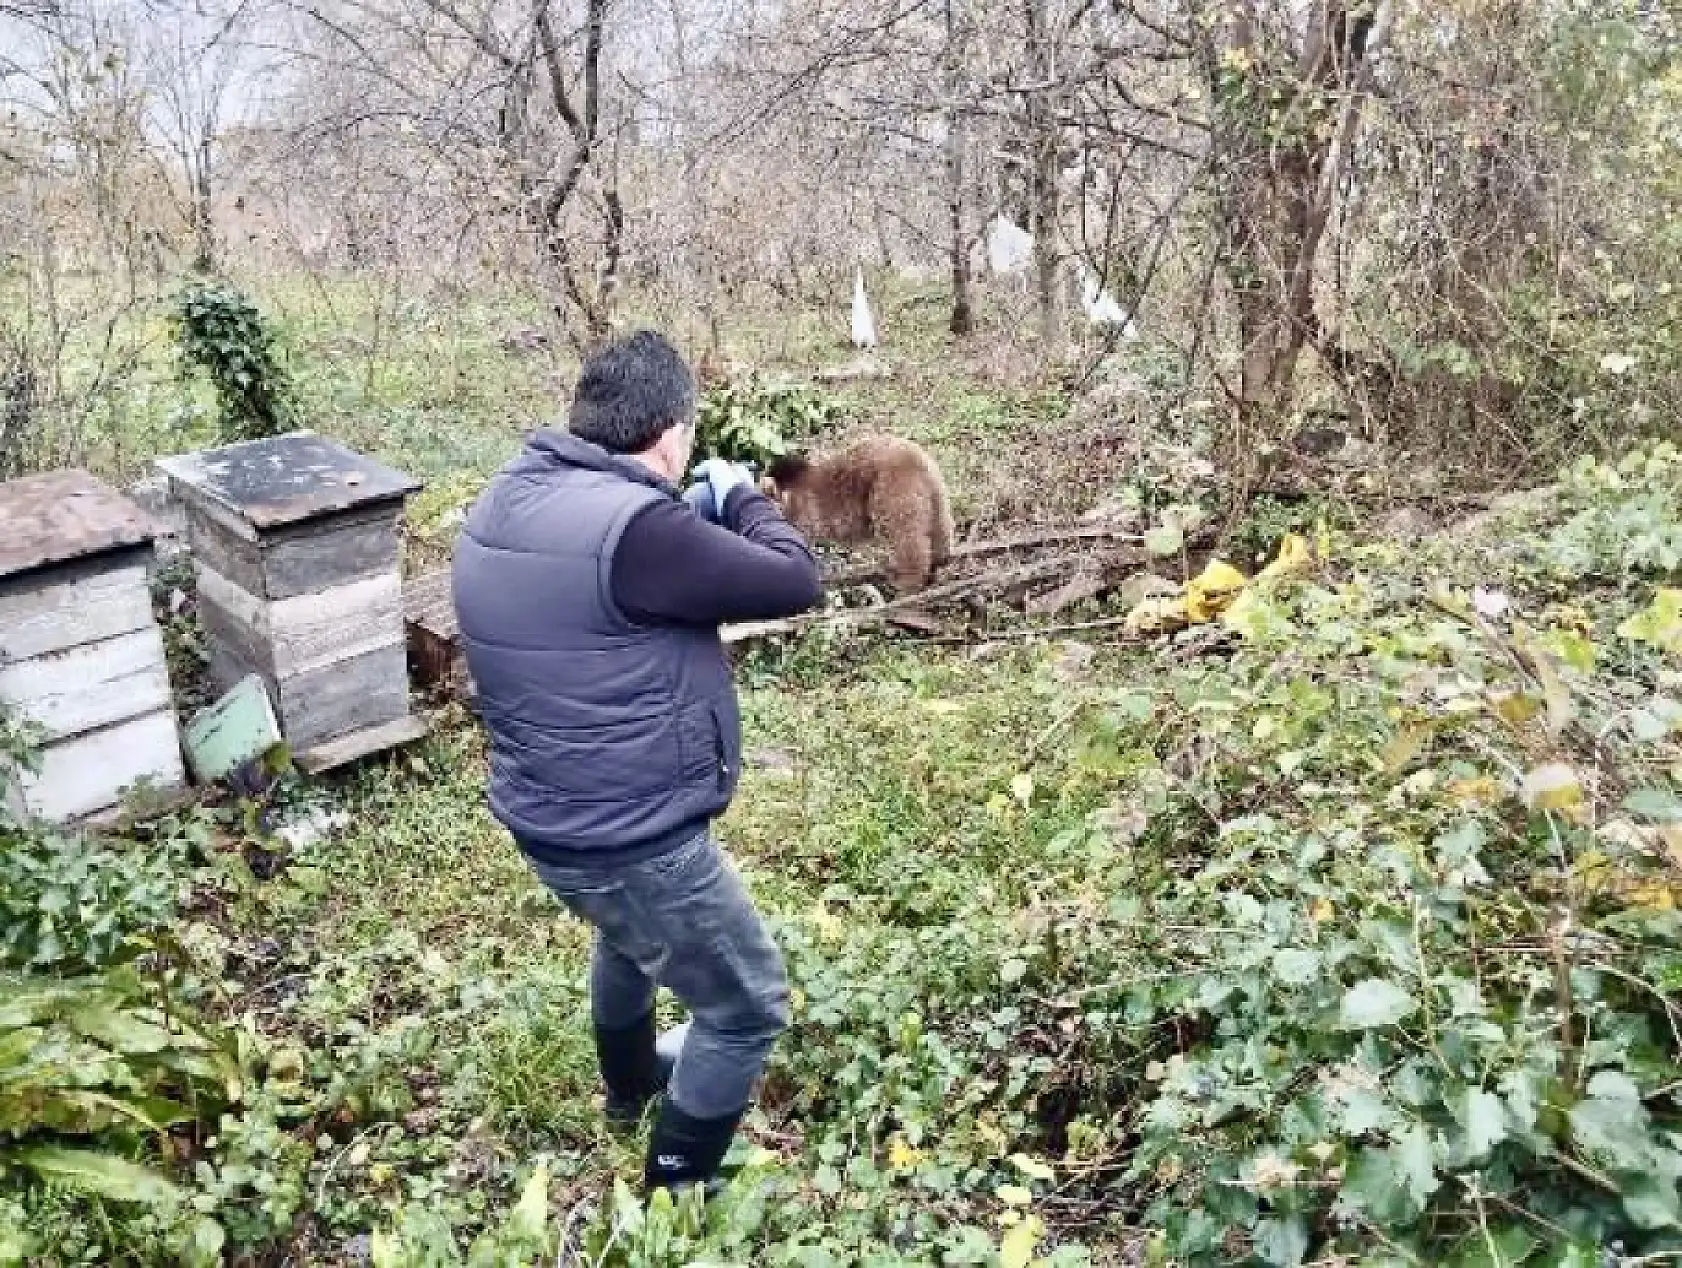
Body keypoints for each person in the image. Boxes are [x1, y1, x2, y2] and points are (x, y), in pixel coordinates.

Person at [451, 329, 823, 1195]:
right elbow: (792, 580)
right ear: (669, 436)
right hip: (634, 839)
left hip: (552, 823)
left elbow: (596, 576)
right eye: (689, 439)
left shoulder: (510, 495)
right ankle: (675, 1191)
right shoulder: (640, 531)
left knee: (629, 940)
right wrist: (740, 501)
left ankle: (628, 1096)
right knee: (744, 1005)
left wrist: (680, 521)